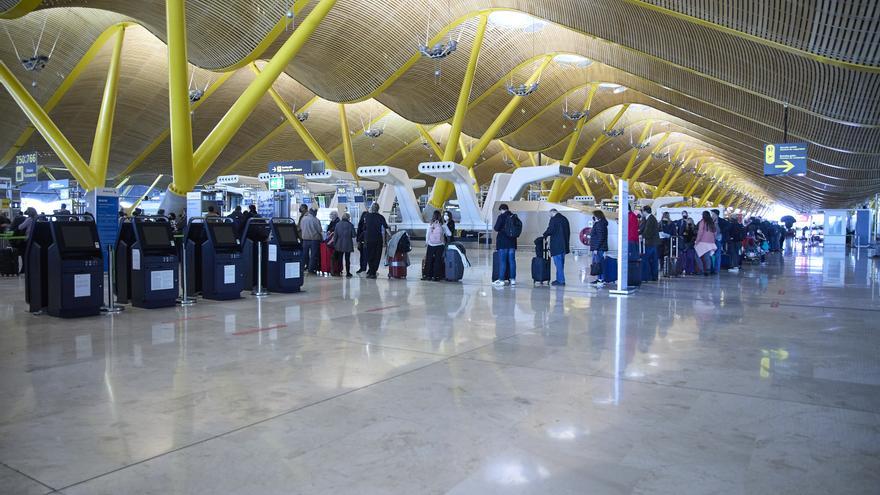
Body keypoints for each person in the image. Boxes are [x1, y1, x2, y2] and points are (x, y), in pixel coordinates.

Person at [360, 203, 389, 279]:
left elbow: (364, 228)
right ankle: (373, 272)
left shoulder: (367, 216)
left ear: (371, 208)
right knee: (377, 256)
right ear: (378, 209)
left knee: (370, 255)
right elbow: (386, 227)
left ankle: (371, 271)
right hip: (378, 239)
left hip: (368, 239)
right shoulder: (381, 217)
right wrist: (391, 236)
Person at [542, 208, 570, 286]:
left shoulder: (554, 219)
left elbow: (550, 230)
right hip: (564, 245)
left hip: (557, 245)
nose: (549, 215)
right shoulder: (565, 219)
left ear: (552, 212)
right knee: (561, 264)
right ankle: (558, 279)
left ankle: (561, 281)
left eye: (549, 214)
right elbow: (568, 232)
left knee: (558, 263)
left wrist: (544, 235)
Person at [492, 204, 518, 287]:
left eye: (501, 210)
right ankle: (512, 279)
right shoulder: (513, 217)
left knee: (503, 261)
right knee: (512, 261)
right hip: (512, 242)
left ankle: (501, 280)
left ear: (502, 209)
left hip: (503, 243)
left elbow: (496, 228)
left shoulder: (501, 217)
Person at [298, 204, 323, 275]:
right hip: (314, 240)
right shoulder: (315, 220)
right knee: (313, 255)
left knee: (305, 254)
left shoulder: (303, 218)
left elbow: (301, 228)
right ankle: (311, 269)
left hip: (305, 239)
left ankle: (302, 268)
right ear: (314, 213)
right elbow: (319, 230)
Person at [423, 210, 447, 281]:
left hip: (431, 244)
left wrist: (426, 242)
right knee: (438, 260)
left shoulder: (430, 224)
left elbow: (428, 234)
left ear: (433, 216)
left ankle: (427, 275)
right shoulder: (443, 225)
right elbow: (449, 234)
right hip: (440, 245)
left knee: (429, 260)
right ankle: (436, 276)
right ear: (440, 216)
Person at [640, 205, 660, 281]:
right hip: (653, 243)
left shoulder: (650, 219)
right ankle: (653, 276)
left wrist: (642, 236)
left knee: (647, 259)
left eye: (642, 211)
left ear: (645, 211)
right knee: (653, 260)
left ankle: (649, 276)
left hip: (651, 243)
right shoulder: (650, 218)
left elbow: (648, 232)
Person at [332, 212, 355, 277]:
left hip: (339, 244)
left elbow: (335, 236)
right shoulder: (350, 225)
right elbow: (354, 235)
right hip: (348, 244)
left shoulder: (337, 224)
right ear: (348, 218)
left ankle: (338, 272)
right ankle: (348, 273)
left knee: (340, 259)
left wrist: (334, 244)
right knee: (347, 259)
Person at [589, 210, 609, 286]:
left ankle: (601, 279)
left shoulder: (600, 224)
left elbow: (600, 237)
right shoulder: (600, 223)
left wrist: (596, 248)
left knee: (599, 264)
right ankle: (599, 278)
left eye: (594, 216)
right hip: (599, 247)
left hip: (599, 248)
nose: (593, 217)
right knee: (597, 264)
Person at [695, 211, 717, 275]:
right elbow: (715, 233)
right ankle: (708, 270)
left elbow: (700, 232)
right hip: (710, 242)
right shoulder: (712, 222)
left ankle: (701, 270)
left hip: (702, 241)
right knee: (707, 256)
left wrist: (697, 241)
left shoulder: (703, 221)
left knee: (697, 256)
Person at [711, 209, 728, 274]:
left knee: (718, 254)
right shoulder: (711, 221)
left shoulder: (721, 221)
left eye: (712, 214)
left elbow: (728, 225)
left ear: (716, 214)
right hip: (711, 239)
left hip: (718, 239)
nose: (712, 215)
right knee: (711, 254)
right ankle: (711, 268)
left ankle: (716, 270)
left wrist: (722, 231)